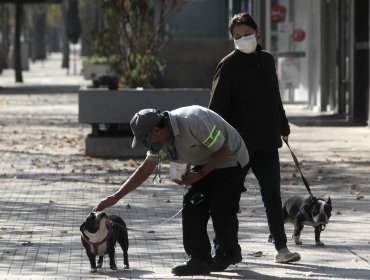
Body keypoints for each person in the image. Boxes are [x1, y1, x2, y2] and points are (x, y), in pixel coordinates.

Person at [93, 105, 249, 275]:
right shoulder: (160, 140)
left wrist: (200, 175)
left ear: (156, 131)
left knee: (221, 207)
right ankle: (199, 259)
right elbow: (145, 170)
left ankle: (228, 252)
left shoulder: (193, 122)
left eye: (146, 140)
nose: (147, 146)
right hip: (205, 161)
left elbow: (224, 150)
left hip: (232, 159)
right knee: (192, 204)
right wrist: (115, 197)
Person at [208, 11, 301, 263]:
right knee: (229, 199)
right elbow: (215, 111)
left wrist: (282, 125)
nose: (243, 39)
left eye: (247, 34)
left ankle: (281, 248)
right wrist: (218, 144)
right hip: (238, 147)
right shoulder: (228, 65)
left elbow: (274, 96)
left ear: (257, 32)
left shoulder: (268, 60)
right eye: (237, 36)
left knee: (272, 195)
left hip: (268, 143)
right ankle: (223, 247)